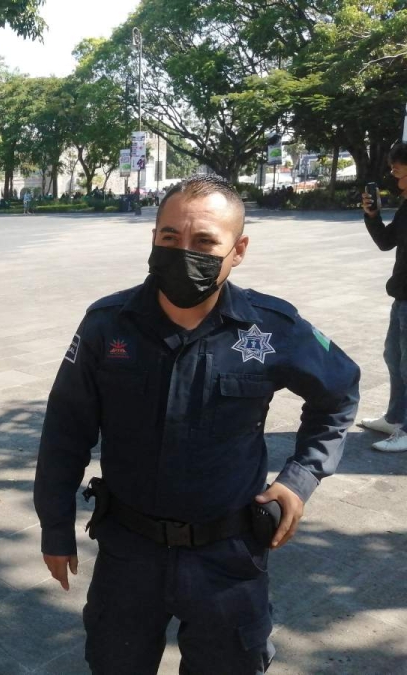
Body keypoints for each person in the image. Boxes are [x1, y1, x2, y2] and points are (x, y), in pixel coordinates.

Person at [33, 175, 360, 674]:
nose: (184, 251)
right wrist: (55, 528)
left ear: (238, 249)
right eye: (170, 238)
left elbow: (338, 392)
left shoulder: (272, 327)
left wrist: (299, 479)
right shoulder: (107, 325)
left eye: (205, 241)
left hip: (229, 560)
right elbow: (65, 430)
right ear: (154, 238)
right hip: (127, 554)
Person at [358, 142, 407, 451]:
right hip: (402, 297)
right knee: (393, 356)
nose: (395, 179)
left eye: (399, 173)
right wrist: (372, 215)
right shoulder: (406, 206)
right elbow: (387, 242)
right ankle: (395, 416)